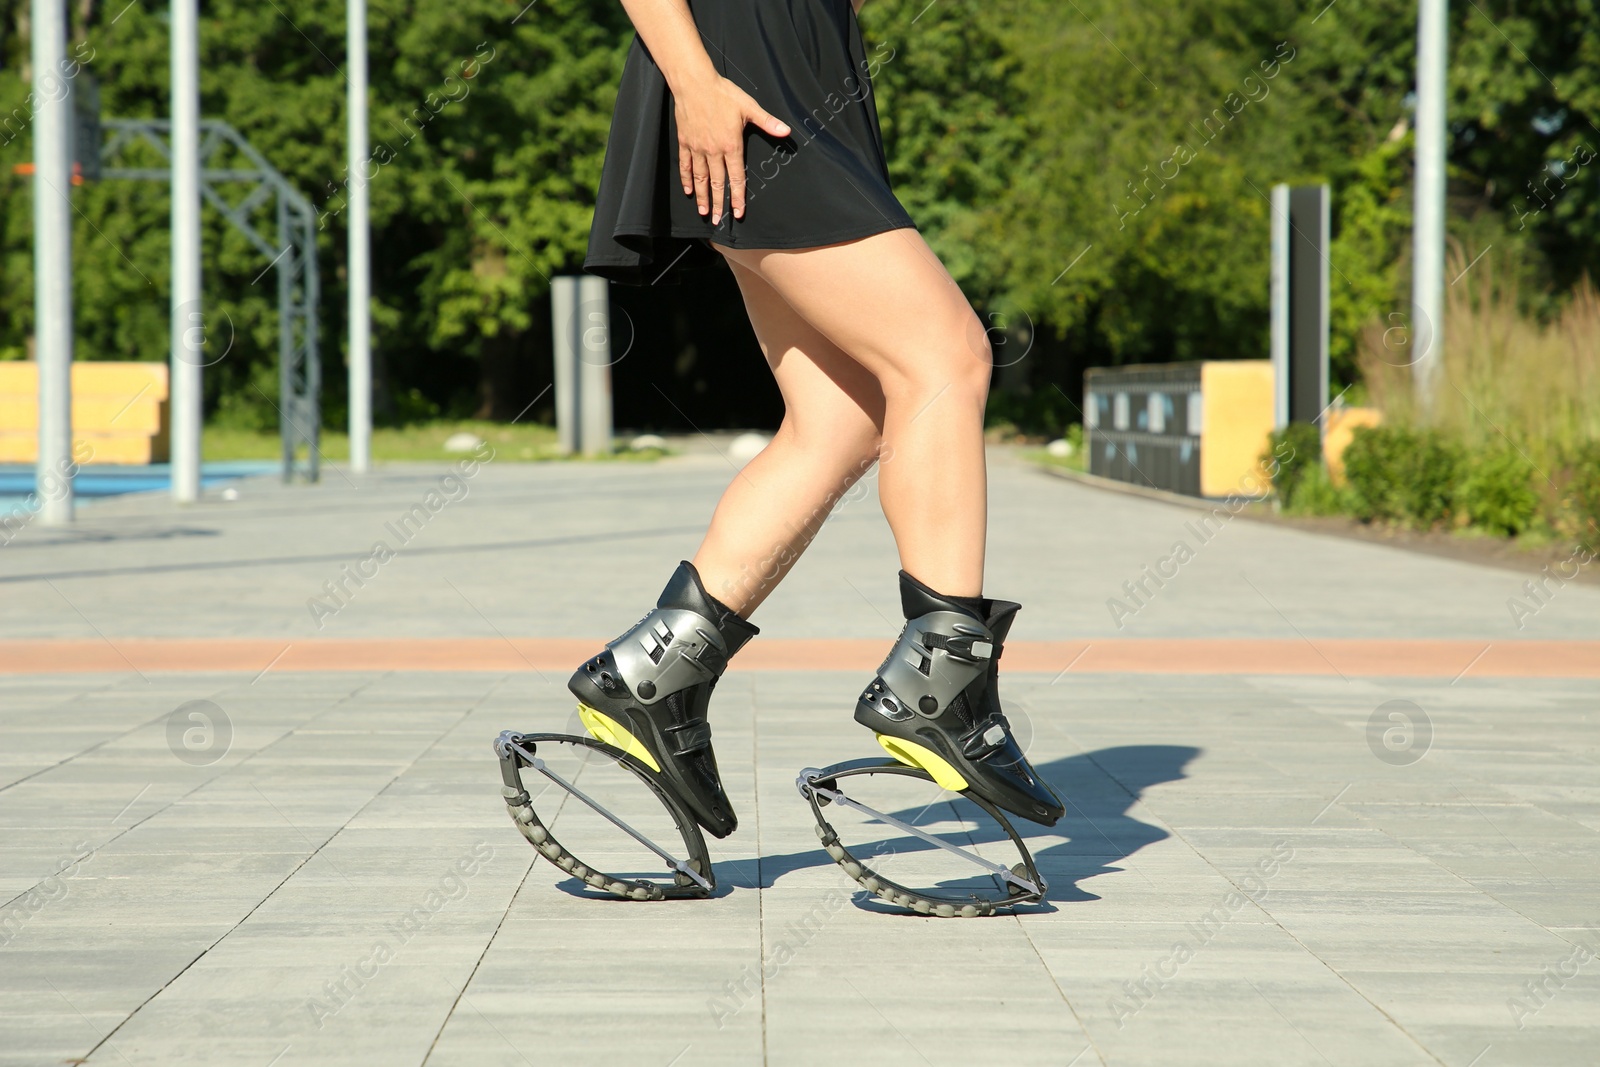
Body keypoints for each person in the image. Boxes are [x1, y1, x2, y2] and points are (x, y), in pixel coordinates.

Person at [569, 0, 1064, 846]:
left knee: (841, 419)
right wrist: (694, 81)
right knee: (947, 357)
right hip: (736, 69)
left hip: (809, 69)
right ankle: (941, 683)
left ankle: (655, 674)